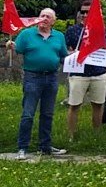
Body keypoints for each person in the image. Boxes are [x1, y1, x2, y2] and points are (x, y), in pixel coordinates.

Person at [9, 8, 68, 159]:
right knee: (28, 114)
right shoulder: (27, 34)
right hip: (32, 77)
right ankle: (22, 148)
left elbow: (63, 56)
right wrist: (11, 45)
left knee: (47, 114)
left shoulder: (59, 36)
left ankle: (45, 147)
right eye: (42, 16)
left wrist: (76, 58)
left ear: (53, 21)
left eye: (48, 17)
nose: (44, 18)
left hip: (52, 78)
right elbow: (18, 49)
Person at [64, 3, 106, 141]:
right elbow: (66, 50)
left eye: (88, 13)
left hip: (99, 73)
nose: (84, 15)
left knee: (98, 104)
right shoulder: (72, 30)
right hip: (79, 74)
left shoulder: (101, 30)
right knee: (74, 105)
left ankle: (97, 134)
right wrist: (73, 53)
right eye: (82, 12)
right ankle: (71, 135)